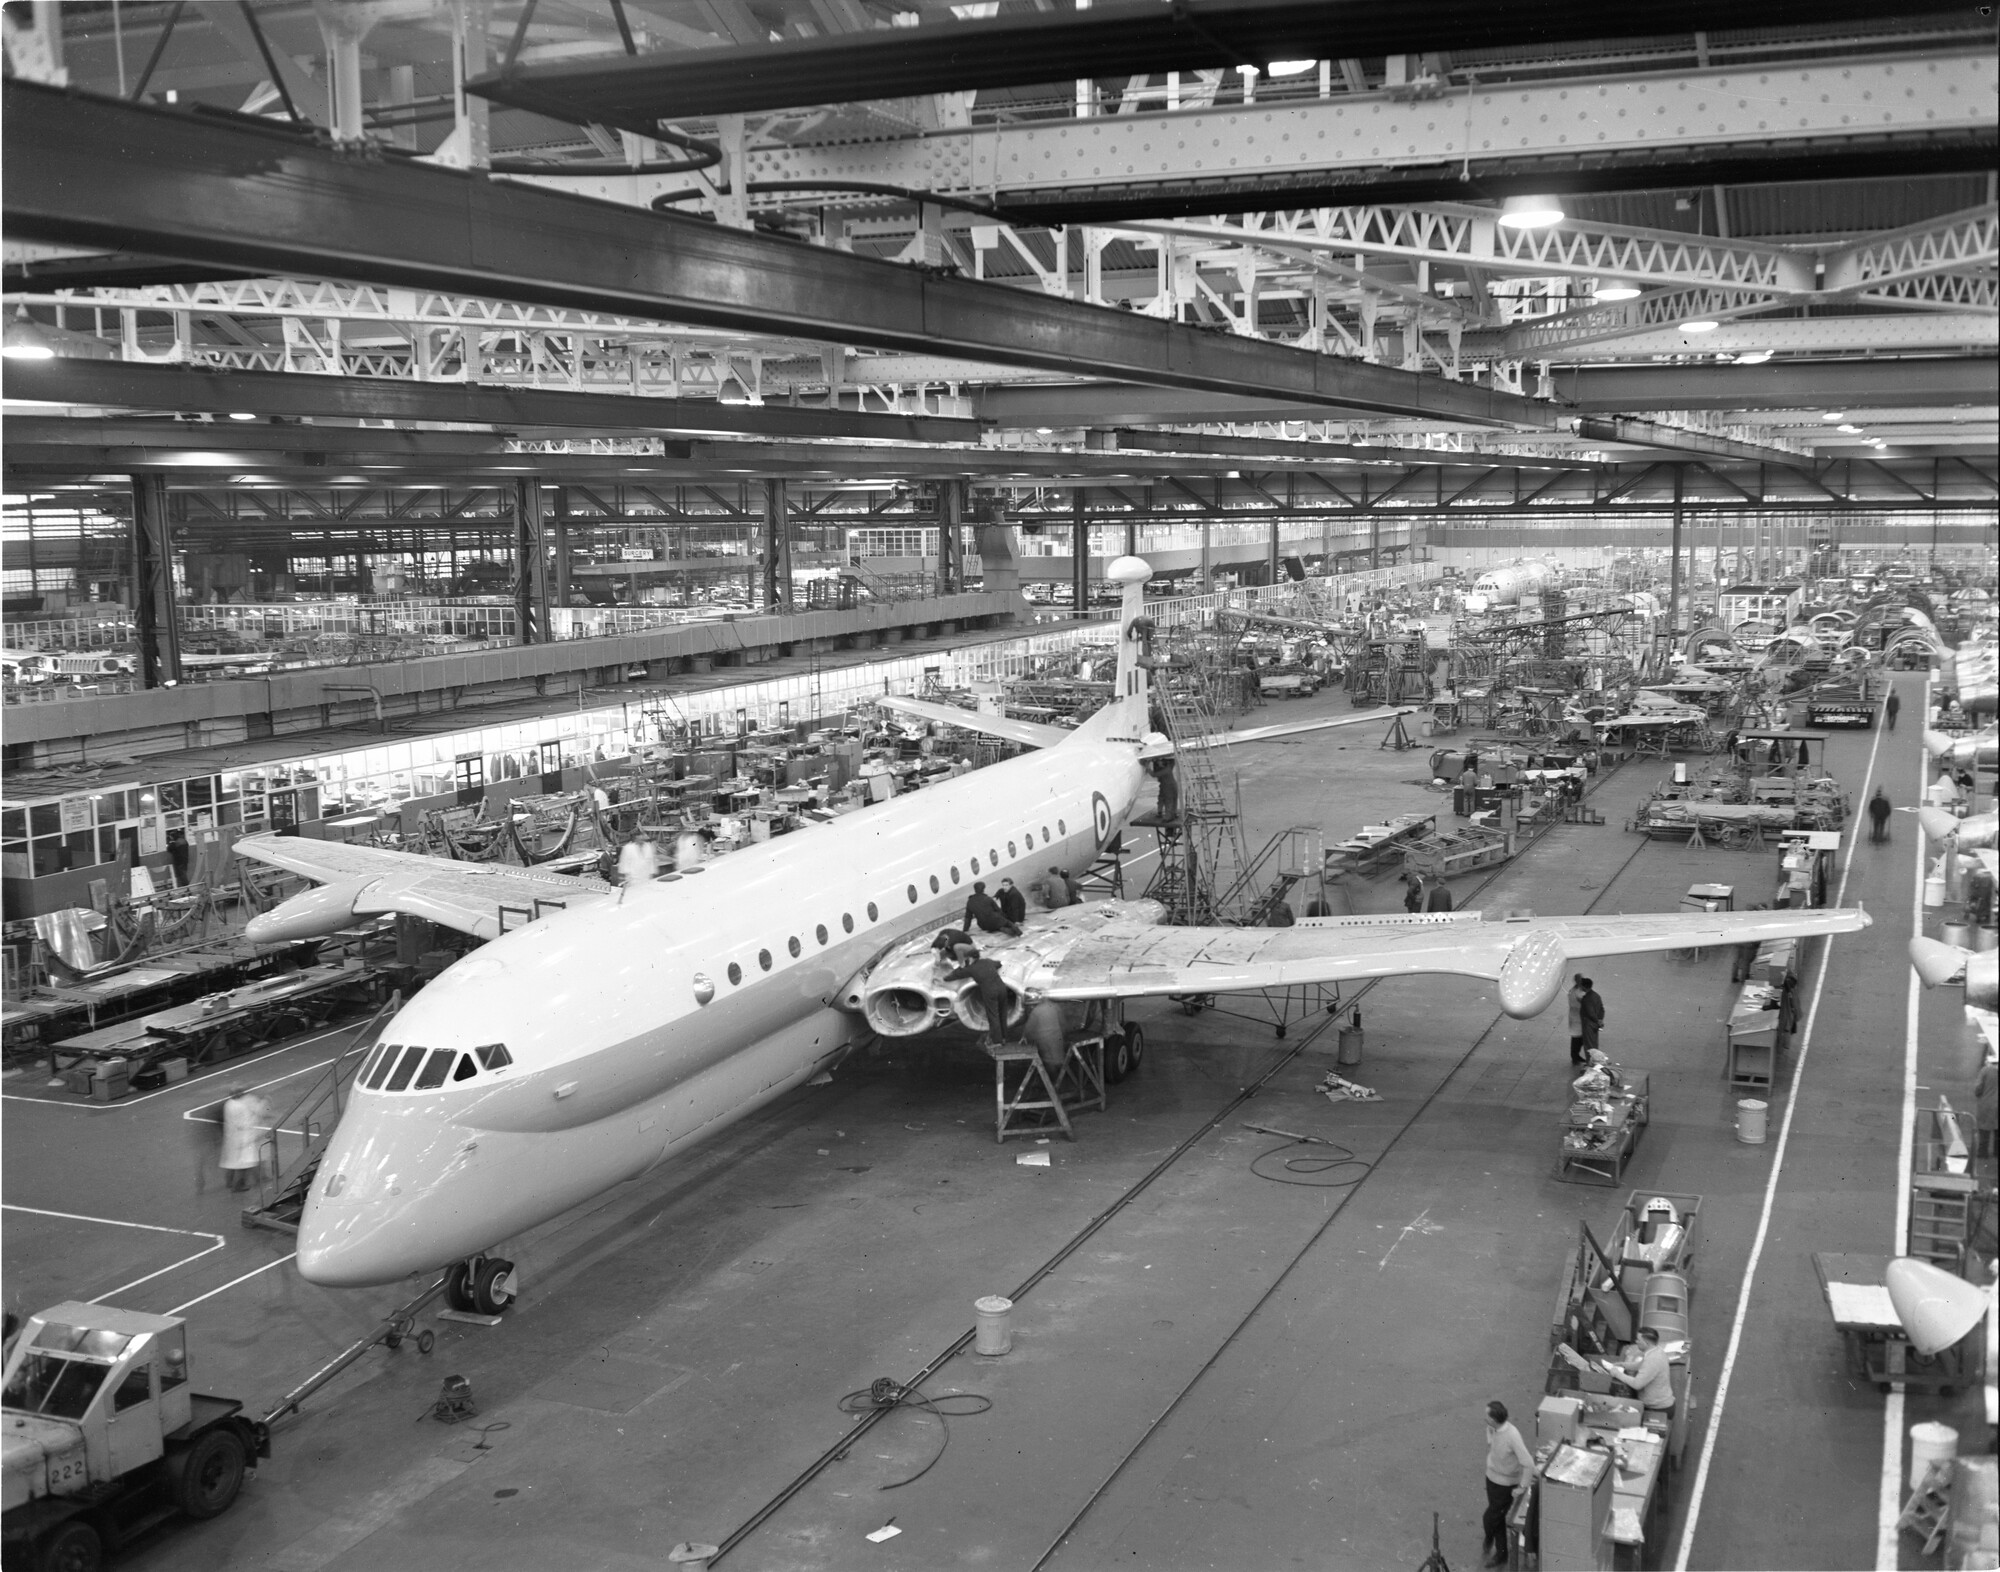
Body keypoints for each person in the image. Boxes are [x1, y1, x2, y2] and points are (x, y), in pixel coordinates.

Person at [1481, 1400, 1534, 1568]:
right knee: (1496, 1518)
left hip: (1505, 1486)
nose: (1485, 1419)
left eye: (1487, 1416)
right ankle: (1501, 1554)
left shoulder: (1512, 1436)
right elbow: (1491, 1441)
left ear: (1495, 1419)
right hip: (1491, 1478)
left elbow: (1528, 1463)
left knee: (1490, 1519)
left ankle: (1496, 1546)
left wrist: (1522, 1487)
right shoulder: (1493, 1428)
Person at [944, 948, 1014, 1046]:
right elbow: (999, 963)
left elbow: (954, 975)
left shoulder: (971, 968)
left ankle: (997, 1041)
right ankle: (1004, 1038)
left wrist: (945, 977)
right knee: (1002, 1014)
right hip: (1002, 988)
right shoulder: (987, 961)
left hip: (990, 991)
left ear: (971, 958)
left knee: (993, 1016)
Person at [1612, 1328, 1676, 1414]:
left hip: (1658, 1409)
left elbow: (1637, 1384)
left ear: (1647, 1343)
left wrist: (1617, 1374)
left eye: (1638, 1340)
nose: (1636, 1341)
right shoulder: (1657, 1351)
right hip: (1661, 1404)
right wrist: (1623, 1365)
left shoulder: (1652, 1359)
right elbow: (1641, 1365)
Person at [219, 1086, 266, 1193]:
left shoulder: (229, 1104)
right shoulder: (240, 1106)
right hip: (241, 1137)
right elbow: (245, 1122)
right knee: (243, 1164)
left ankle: (230, 1182)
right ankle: (237, 1186)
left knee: (232, 1163)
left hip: (232, 1137)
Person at [1568, 976, 1604, 1066]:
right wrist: (1600, 1020)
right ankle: (1592, 1060)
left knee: (1589, 1044)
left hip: (1588, 1023)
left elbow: (1590, 1012)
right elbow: (1601, 1009)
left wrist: (1596, 1020)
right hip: (1589, 1023)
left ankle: (1590, 1063)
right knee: (1592, 1042)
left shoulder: (1586, 999)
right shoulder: (1596, 995)